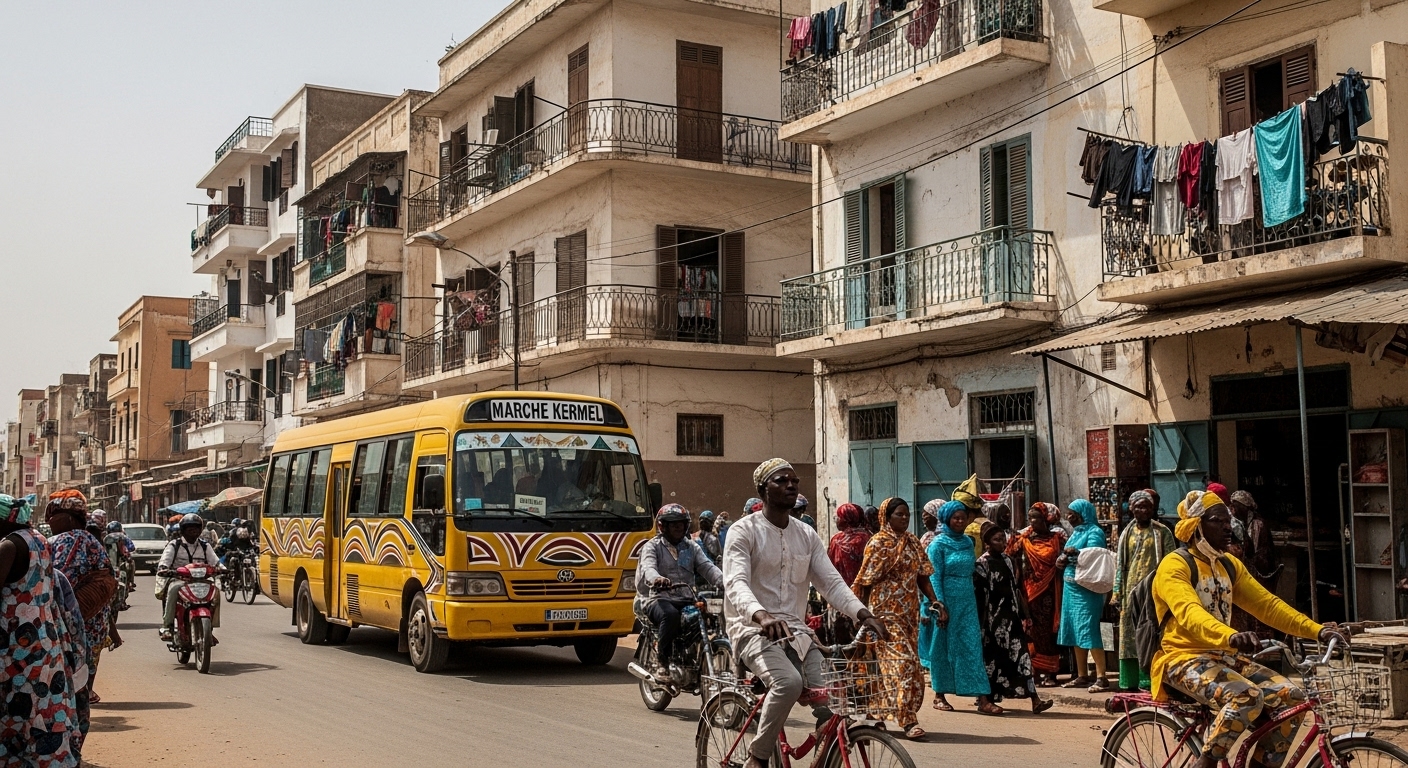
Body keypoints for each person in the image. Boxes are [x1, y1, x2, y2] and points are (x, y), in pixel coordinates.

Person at [1154, 491, 1340, 768]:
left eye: (1228, 520)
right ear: (1196, 526)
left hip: (1224, 658)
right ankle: (1205, 762)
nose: (1228, 527)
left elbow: (1268, 606)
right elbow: (1189, 613)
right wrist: (1229, 635)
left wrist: (1316, 631)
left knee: (1293, 698)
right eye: (1219, 521)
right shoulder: (1175, 565)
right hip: (1182, 659)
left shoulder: (1229, 565)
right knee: (1246, 696)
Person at [723, 459, 887, 768]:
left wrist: (863, 614)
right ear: (762, 490)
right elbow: (736, 583)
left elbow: (831, 582)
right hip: (753, 630)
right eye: (781, 480)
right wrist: (761, 616)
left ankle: (824, 752)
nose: (791, 485)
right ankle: (757, 758)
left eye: (794, 480)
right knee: (789, 684)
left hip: (797, 631)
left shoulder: (806, 535)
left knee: (831, 699)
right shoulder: (743, 531)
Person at [0, 494, 82, 768]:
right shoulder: (38, 539)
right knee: (42, 711)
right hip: (43, 644)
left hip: (16, 649)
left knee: (16, 712)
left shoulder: (9, 546)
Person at [851, 497, 939, 738]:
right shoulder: (877, 543)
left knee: (889, 666)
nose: (904, 518)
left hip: (908, 613)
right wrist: (862, 615)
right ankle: (908, 720)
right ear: (886, 517)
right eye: (899, 514)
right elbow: (865, 580)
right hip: (883, 613)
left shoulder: (912, 542)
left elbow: (922, 575)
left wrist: (934, 600)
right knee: (905, 663)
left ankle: (876, 714)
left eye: (907, 514)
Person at [974, 522, 1054, 715]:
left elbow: (1017, 590)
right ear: (987, 543)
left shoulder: (1009, 561)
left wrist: (1025, 615)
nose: (1001, 543)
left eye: (1003, 539)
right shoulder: (981, 564)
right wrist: (981, 625)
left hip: (1011, 618)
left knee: (1022, 658)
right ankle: (986, 700)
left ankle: (1035, 700)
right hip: (993, 621)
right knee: (994, 661)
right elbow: (980, 597)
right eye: (996, 540)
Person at [46, 490, 114, 715]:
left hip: (69, 623)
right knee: (86, 669)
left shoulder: (63, 541)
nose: (49, 520)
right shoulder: (92, 540)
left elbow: (57, 581)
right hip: (95, 621)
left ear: (68, 517)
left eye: (53, 515)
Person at [638, 504, 723, 683]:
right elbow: (648, 568)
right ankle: (662, 660)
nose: (678, 527)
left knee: (708, 613)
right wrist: (657, 579)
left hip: (687, 598)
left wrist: (728, 582)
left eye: (681, 523)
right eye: (673, 523)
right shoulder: (652, 547)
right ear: (663, 526)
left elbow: (707, 567)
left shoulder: (691, 547)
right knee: (670, 616)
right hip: (658, 598)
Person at [923, 500, 992, 713]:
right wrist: (940, 605)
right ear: (946, 519)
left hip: (967, 601)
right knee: (942, 648)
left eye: (963, 517)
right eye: (956, 517)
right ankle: (939, 695)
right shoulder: (937, 544)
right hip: (945, 600)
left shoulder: (968, 542)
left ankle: (982, 698)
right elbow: (934, 577)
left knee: (972, 646)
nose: (960, 521)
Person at [1112, 489, 1175, 692]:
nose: (1143, 510)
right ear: (1131, 509)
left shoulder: (1161, 532)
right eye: (1138, 506)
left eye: (1147, 506)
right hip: (1130, 591)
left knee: (1149, 633)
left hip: (1152, 590)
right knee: (1129, 636)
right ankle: (1129, 681)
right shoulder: (1126, 533)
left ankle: (1148, 680)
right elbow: (1121, 564)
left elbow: (1171, 562)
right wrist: (1117, 593)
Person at [1006, 503, 1065, 686]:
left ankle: (1051, 673)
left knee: (1048, 633)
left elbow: (1063, 561)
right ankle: (1034, 670)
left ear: (1046, 519)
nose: (1032, 521)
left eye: (1036, 517)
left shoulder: (1057, 539)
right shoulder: (1024, 539)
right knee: (1030, 630)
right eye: (1030, 517)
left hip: (1049, 592)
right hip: (1029, 592)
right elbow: (1008, 554)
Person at [1057, 498, 1109, 692]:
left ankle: (1101, 677)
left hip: (1087, 590)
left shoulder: (1095, 532)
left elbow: (1095, 555)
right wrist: (1061, 560)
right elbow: (1066, 555)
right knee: (1075, 631)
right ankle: (1082, 675)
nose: (1069, 517)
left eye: (1072, 513)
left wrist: (1075, 552)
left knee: (1089, 630)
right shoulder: (1075, 533)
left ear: (1083, 514)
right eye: (1068, 513)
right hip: (1071, 589)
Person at [158, 513, 220, 641]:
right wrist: (164, 568)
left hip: (202, 580)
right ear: (183, 530)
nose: (193, 531)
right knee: (173, 589)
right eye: (189, 528)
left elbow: (216, 562)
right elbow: (165, 561)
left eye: (196, 528)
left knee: (216, 592)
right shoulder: (174, 545)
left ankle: (210, 629)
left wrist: (223, 569)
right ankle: (167, 626)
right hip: (180, 579)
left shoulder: (205, 546)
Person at [827, 503, 870, 587]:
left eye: (839, 517)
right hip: (862, 589)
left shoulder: (837, 539)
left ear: (845, 519)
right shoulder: (868, 537)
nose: (837, 520)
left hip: (840, 590)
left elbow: (829, 566)